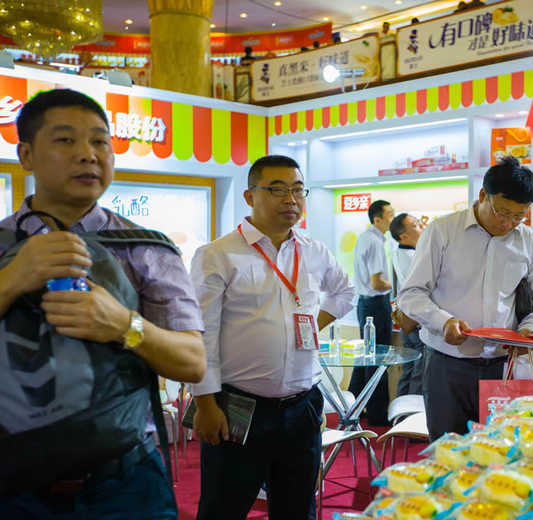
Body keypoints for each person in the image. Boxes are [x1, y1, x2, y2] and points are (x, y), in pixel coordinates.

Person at [0, 88, 206, 518]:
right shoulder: (4, 245)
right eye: (65, 140)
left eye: (100, 141)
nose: (88, 154)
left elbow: (192, 362)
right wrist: (13, 279)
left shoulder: (146, 248)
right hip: (12, 481)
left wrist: (124, 325)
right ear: (26, 155)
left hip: (126, 481)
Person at [190, 155, 355, 520]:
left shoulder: (314, 250)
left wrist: (311, 325)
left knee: (297, 508)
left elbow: (346, 292)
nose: (290, 199)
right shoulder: (218, 255)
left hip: (303, 405)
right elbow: (200, 333)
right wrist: (204, 404)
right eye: (278, 190)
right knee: (223, 508)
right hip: (238, 407)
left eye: (298, 190)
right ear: (250, 196)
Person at [398, 157, 533, 440]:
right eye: (502, 212)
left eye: (519, 216)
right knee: (447, 448)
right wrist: (444, 321)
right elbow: (411, 293)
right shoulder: (443, 231)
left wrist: (527, 330)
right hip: (447, 364)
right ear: (483, 195)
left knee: (497, 449)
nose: (508, 223)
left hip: (501, 365)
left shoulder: (528, 241)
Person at [349, 200, 395, 426]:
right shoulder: (375, 242)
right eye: (390, 214)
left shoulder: (365, 238)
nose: (393, 218)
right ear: (377, 219)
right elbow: (377, 283)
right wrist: (400, 285)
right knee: (378, 360)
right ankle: (377, 415)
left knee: (366, 358)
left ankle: (352, 407)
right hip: (376, 305)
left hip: (366, 304)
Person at [389, 212, 425, 395]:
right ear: (403, 236)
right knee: (419, 372)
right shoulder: (414, 257)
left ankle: (400, 407)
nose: (422, 227)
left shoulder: (398, 253)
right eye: (417, 225)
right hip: (417, 321)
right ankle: (411, 409)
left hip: (406, 319)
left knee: (408, 370)